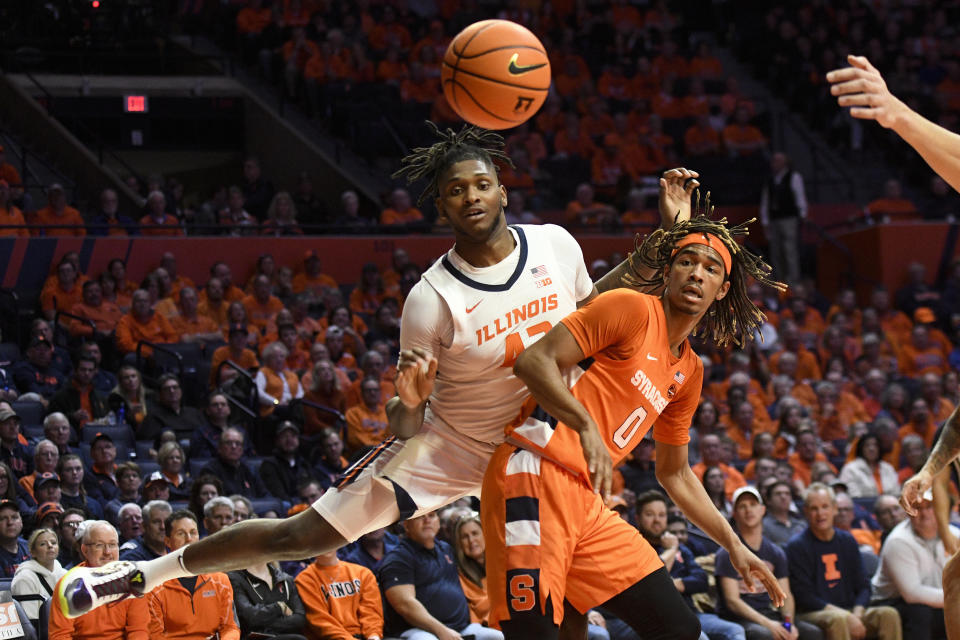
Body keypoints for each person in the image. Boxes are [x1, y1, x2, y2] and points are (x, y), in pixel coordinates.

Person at [55, 126, 695, 620]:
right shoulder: (432, 298)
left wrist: (665, 240)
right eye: (454, 191)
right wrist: (407, 403)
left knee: (572, 585)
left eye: (479, 184)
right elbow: (404, 419)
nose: (470, 197)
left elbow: (588, 314)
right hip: (447, 447)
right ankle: (147, 573)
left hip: (528, 449)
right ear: (439, 206)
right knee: (300, 534)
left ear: (502, 187)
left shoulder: (556, 244)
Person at [479, 207, 787, 638]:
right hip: (533, 474)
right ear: (668, 271)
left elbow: (674, 472)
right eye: (686, 261)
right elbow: (535, 361)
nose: (697, 273)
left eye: (710, 267)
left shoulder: (690, 372)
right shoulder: (631, 309)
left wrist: (734, 545)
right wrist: (584, 425)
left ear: (722, 290)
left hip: (588, 502)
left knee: (679, 629)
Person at [786, 484, 900, 640]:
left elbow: (863, 586)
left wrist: (857, 614)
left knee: (888, 614)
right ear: (806, 512)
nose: (820, 514)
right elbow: (804, 596)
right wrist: (846, 616)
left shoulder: (847, 541)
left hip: (850, 610)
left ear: (834, 509)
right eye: (814, 508)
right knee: (839, 620)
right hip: (813, 613)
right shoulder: (797, 546)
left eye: (825, 507)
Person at [635, 490, 746, 640]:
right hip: (660, 618)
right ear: (638, 518)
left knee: (734, 630)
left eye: (661, 515)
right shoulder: (636, 547)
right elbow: (650, 582)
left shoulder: (681, 548)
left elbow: (701, 580)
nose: (657, 520)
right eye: (649, 514)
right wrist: (671, 550)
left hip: (692, 613)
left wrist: (675, 584)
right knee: (700, 637)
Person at [716, 486, 822, 640]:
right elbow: (732, 602)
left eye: (753, 504)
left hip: (769, 613)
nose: (748, 510)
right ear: (735, 514)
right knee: (763, 634)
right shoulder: (727, 553)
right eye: (742, 506)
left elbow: (785, 595)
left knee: (812, 632)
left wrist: (787, 624)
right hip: (739, 619)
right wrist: (769, 624)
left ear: (763, 510)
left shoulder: (775, 552)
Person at [380, 510, 502, 640]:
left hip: (461, 627)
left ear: (438, 522)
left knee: (497, 636)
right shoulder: (398, 558)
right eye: (420, 517)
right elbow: (404, 605)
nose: (427, 520)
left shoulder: (446, 549)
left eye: (431, 515)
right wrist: (441, 631)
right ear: (406, 525)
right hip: (419, 630)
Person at [148, 510, 240, 640]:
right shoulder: (155, 586)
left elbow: (230, 627)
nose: (189, 539)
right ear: (168, 541)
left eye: (193, 532)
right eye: (181, 534)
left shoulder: (220, 580)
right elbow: (155, 636)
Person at [49, 520, 149, 639]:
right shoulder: (69, 584)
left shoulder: (133, 580)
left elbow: (139, 630)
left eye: (112, 545)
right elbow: (60, 635)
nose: (107, 552)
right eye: (99, 545)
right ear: (85, 550)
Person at [871, 496, 952, 640]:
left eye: (929, 507)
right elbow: (912, 593)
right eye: (918, 508)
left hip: (935, 599)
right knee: (921, 612)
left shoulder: (954, 535)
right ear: (908, 512)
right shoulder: (898, 541)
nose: (925, 513)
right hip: (891, 601)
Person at [295, 545, 383, 640]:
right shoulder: (304, 580)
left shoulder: (363, 573)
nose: (325, 544)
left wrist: (373, 635)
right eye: (319, 540)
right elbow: (320, 621)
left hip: (365, 636)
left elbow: (371, 611)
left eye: (329, 539)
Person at [759, 152, 807, 285]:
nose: (774, 164)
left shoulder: (794, 177)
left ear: (785, 163)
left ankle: (793, 281)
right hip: (774, 219)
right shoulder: (770, 180)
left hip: (789, 219)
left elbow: (799, 196)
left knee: (789, 250)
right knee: (776, 251)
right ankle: (779, 279)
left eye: (777, 161)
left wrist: (802, 215)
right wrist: (765, 221)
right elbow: (766, 201)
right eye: (773, 161)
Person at [229, 559, 308, 640]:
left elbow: (300, 619)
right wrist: (279, 606)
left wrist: (262, 624)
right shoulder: (235, 578)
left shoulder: (286, 579)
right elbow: (249, 618)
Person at [12, 527, 67, 625]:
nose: (50, 546)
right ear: (32, 552)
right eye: (43, 544)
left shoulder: (66, 575)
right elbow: (30, 623)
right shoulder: (24, 578)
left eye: (53, 543)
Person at [199, 427, 269, 499]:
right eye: (229, 443)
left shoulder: (250, 470)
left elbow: (266, 496)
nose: (234, 446)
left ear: (242, 449)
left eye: (238, 443)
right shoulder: (210, 470)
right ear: (219, 448)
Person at [47, 355, 110, 431]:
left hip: (97, 434)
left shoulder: (100, 397)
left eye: (90, 370)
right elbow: (51, 420)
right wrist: (73, 417)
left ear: (95, 372)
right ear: (75, 370)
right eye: (83, 370)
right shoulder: (60, 396)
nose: (87, 373)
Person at [260, 421, 313, 502]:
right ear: (277, 440)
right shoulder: (269, 465)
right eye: (284, 436)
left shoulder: (303, 463)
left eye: (293, 436)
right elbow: (278, 494)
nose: (289, 440)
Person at [453, 512, 491, 626]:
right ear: (459, 543)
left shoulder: (501, 563)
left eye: (475, 533)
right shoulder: (459, 574)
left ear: (484, 534)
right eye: (465, 537)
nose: (471, 540)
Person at [837, 434, 899, 499]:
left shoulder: (888, 468)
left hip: (889, 506)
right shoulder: (850, 469)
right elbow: (853, 496)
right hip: (862, 507)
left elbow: (896, 492)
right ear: (861, 449)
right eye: (867, 445)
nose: (871, 448)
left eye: (875, 445)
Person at [762, 481, 805, 548]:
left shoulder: (801, 524)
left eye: (787, 494)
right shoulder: (763, 526)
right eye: (778, 494)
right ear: (768, 500)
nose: (783, 497)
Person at [0, 499, 29, 578]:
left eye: (14, 517)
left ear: (21, 522)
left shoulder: (31, 548)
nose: (10, 522)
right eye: (3, 518)